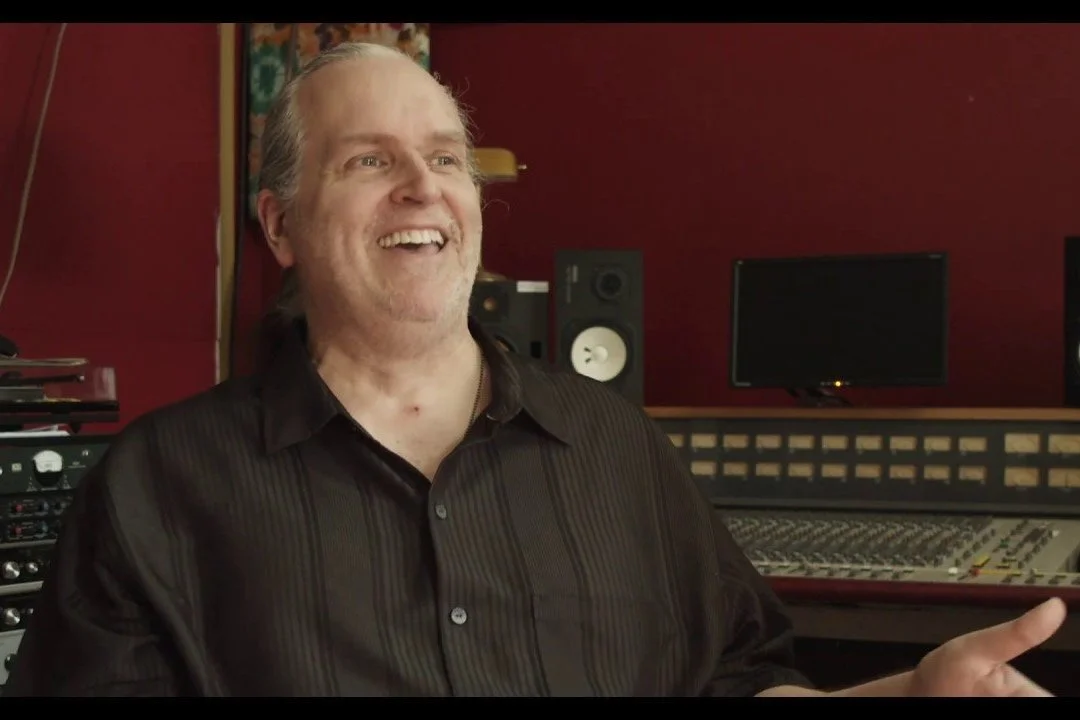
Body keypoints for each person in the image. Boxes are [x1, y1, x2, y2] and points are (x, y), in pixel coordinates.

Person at [1, 41, 1067, 697]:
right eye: (369, 159)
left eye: (448, 156)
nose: (424, 186)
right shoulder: (155, 489)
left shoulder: (615, 449)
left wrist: (904, 693)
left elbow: (734, 685)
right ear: (279, 224)